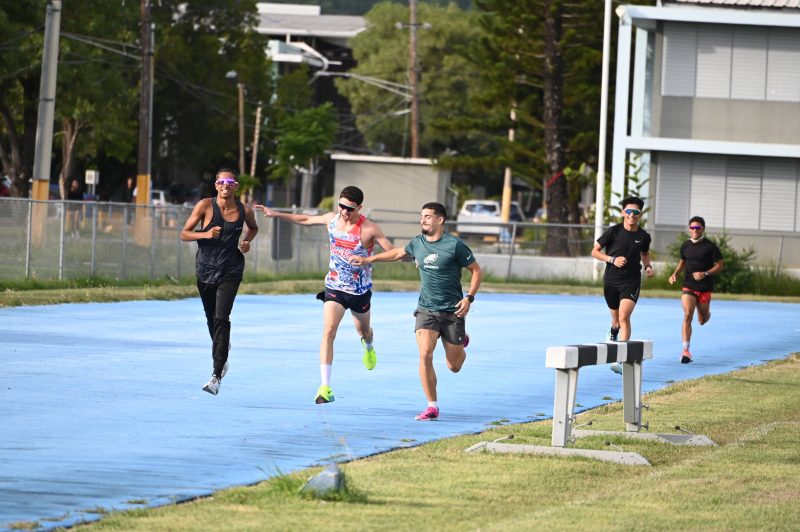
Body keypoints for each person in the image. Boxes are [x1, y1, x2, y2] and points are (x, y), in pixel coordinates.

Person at [254, 186, 394, 405]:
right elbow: (305, 220)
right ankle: (325, 387)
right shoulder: (331, 219)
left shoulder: (369, 229)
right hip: (335, 287)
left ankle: (368, 347)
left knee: (364, 331)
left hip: (358, 291)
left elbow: (392, 252)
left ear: (359, 208)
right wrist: (276, 214)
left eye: (349, 208)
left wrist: (368, 260)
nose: (344, 211)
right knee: (328, 331)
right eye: (341, 206)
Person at [351, 202, 482, 421]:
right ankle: (432, 406)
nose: (423, 220)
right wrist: (367, 259)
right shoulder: (417, 243)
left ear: (440, 220)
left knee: (454, 366)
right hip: (426, 310)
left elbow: (476, 271)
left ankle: (461, 341)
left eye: (428, 216)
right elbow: (396, 253)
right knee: (425, 354)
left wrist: (469, 298)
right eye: (421, 216)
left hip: (452, 312)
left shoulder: (455, 245)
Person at [180, 169, 258, 395]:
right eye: (221, 181)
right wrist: (204, 234)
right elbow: (184, 233)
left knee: (222, 318)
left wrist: (246, 241)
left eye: (230, 181)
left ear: (236, 186)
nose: (225, 185)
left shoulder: (244, 210)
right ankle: (221, 347)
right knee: (212, 319)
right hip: (205, 270)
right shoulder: (205, 206)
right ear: (216, 185)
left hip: (231, 270)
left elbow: (253, 228)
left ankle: (216, 375)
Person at [591, 196, 654, 374]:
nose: (632, 215)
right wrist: (612, 259)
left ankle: (620, 359)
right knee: (616, 321)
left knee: (624, 317)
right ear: (623, 213)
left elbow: (645, 254)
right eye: (628, 211)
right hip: (611, 280)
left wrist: (648, 266)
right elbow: (595, 251)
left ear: (640, 214)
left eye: (635, 212)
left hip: (632, 280)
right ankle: (613, 331)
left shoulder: (644, 236)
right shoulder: (613, 231)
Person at [668, 216, 724, 364]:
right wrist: (674, 274)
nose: (695, 230)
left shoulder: (710, 246)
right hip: (689, 285)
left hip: (705, 287)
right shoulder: (685, 246)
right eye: (692, 227)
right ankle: (686, 351)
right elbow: (682, 262)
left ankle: (706, 313)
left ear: (702, 229)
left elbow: (720, 265)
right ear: (689, 229)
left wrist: (705, 274)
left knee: (702, 320)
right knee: (687, 314)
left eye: (697, 228)